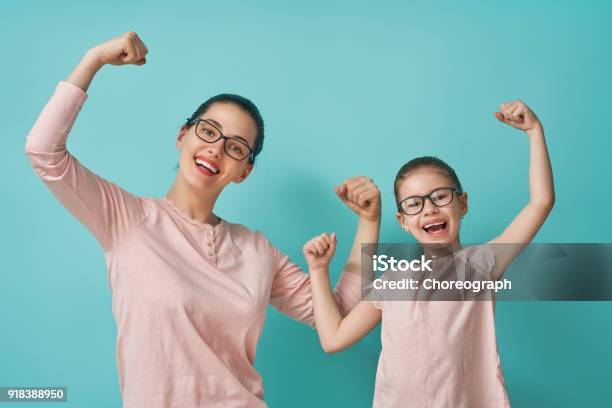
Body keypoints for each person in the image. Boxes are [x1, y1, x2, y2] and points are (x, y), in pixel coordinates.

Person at [25, 32, 381, 408]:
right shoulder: (127, 219)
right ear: (183, 135)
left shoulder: (258, 251)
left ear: (243, 171)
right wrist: (93, 58)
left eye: (236, 147)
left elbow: (340, 313)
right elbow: (43, 151)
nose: (216, 148)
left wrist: (370, 222)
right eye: (208, 131)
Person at [303, 100, 555, 407]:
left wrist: (534, 131)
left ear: (462, 204)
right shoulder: (392, 281)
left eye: (439, 196)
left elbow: (540, 203)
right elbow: (334, 338)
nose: (429, 209)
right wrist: (318, 271)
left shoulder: (481, 264)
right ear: (403, 221)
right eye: (414, 204)